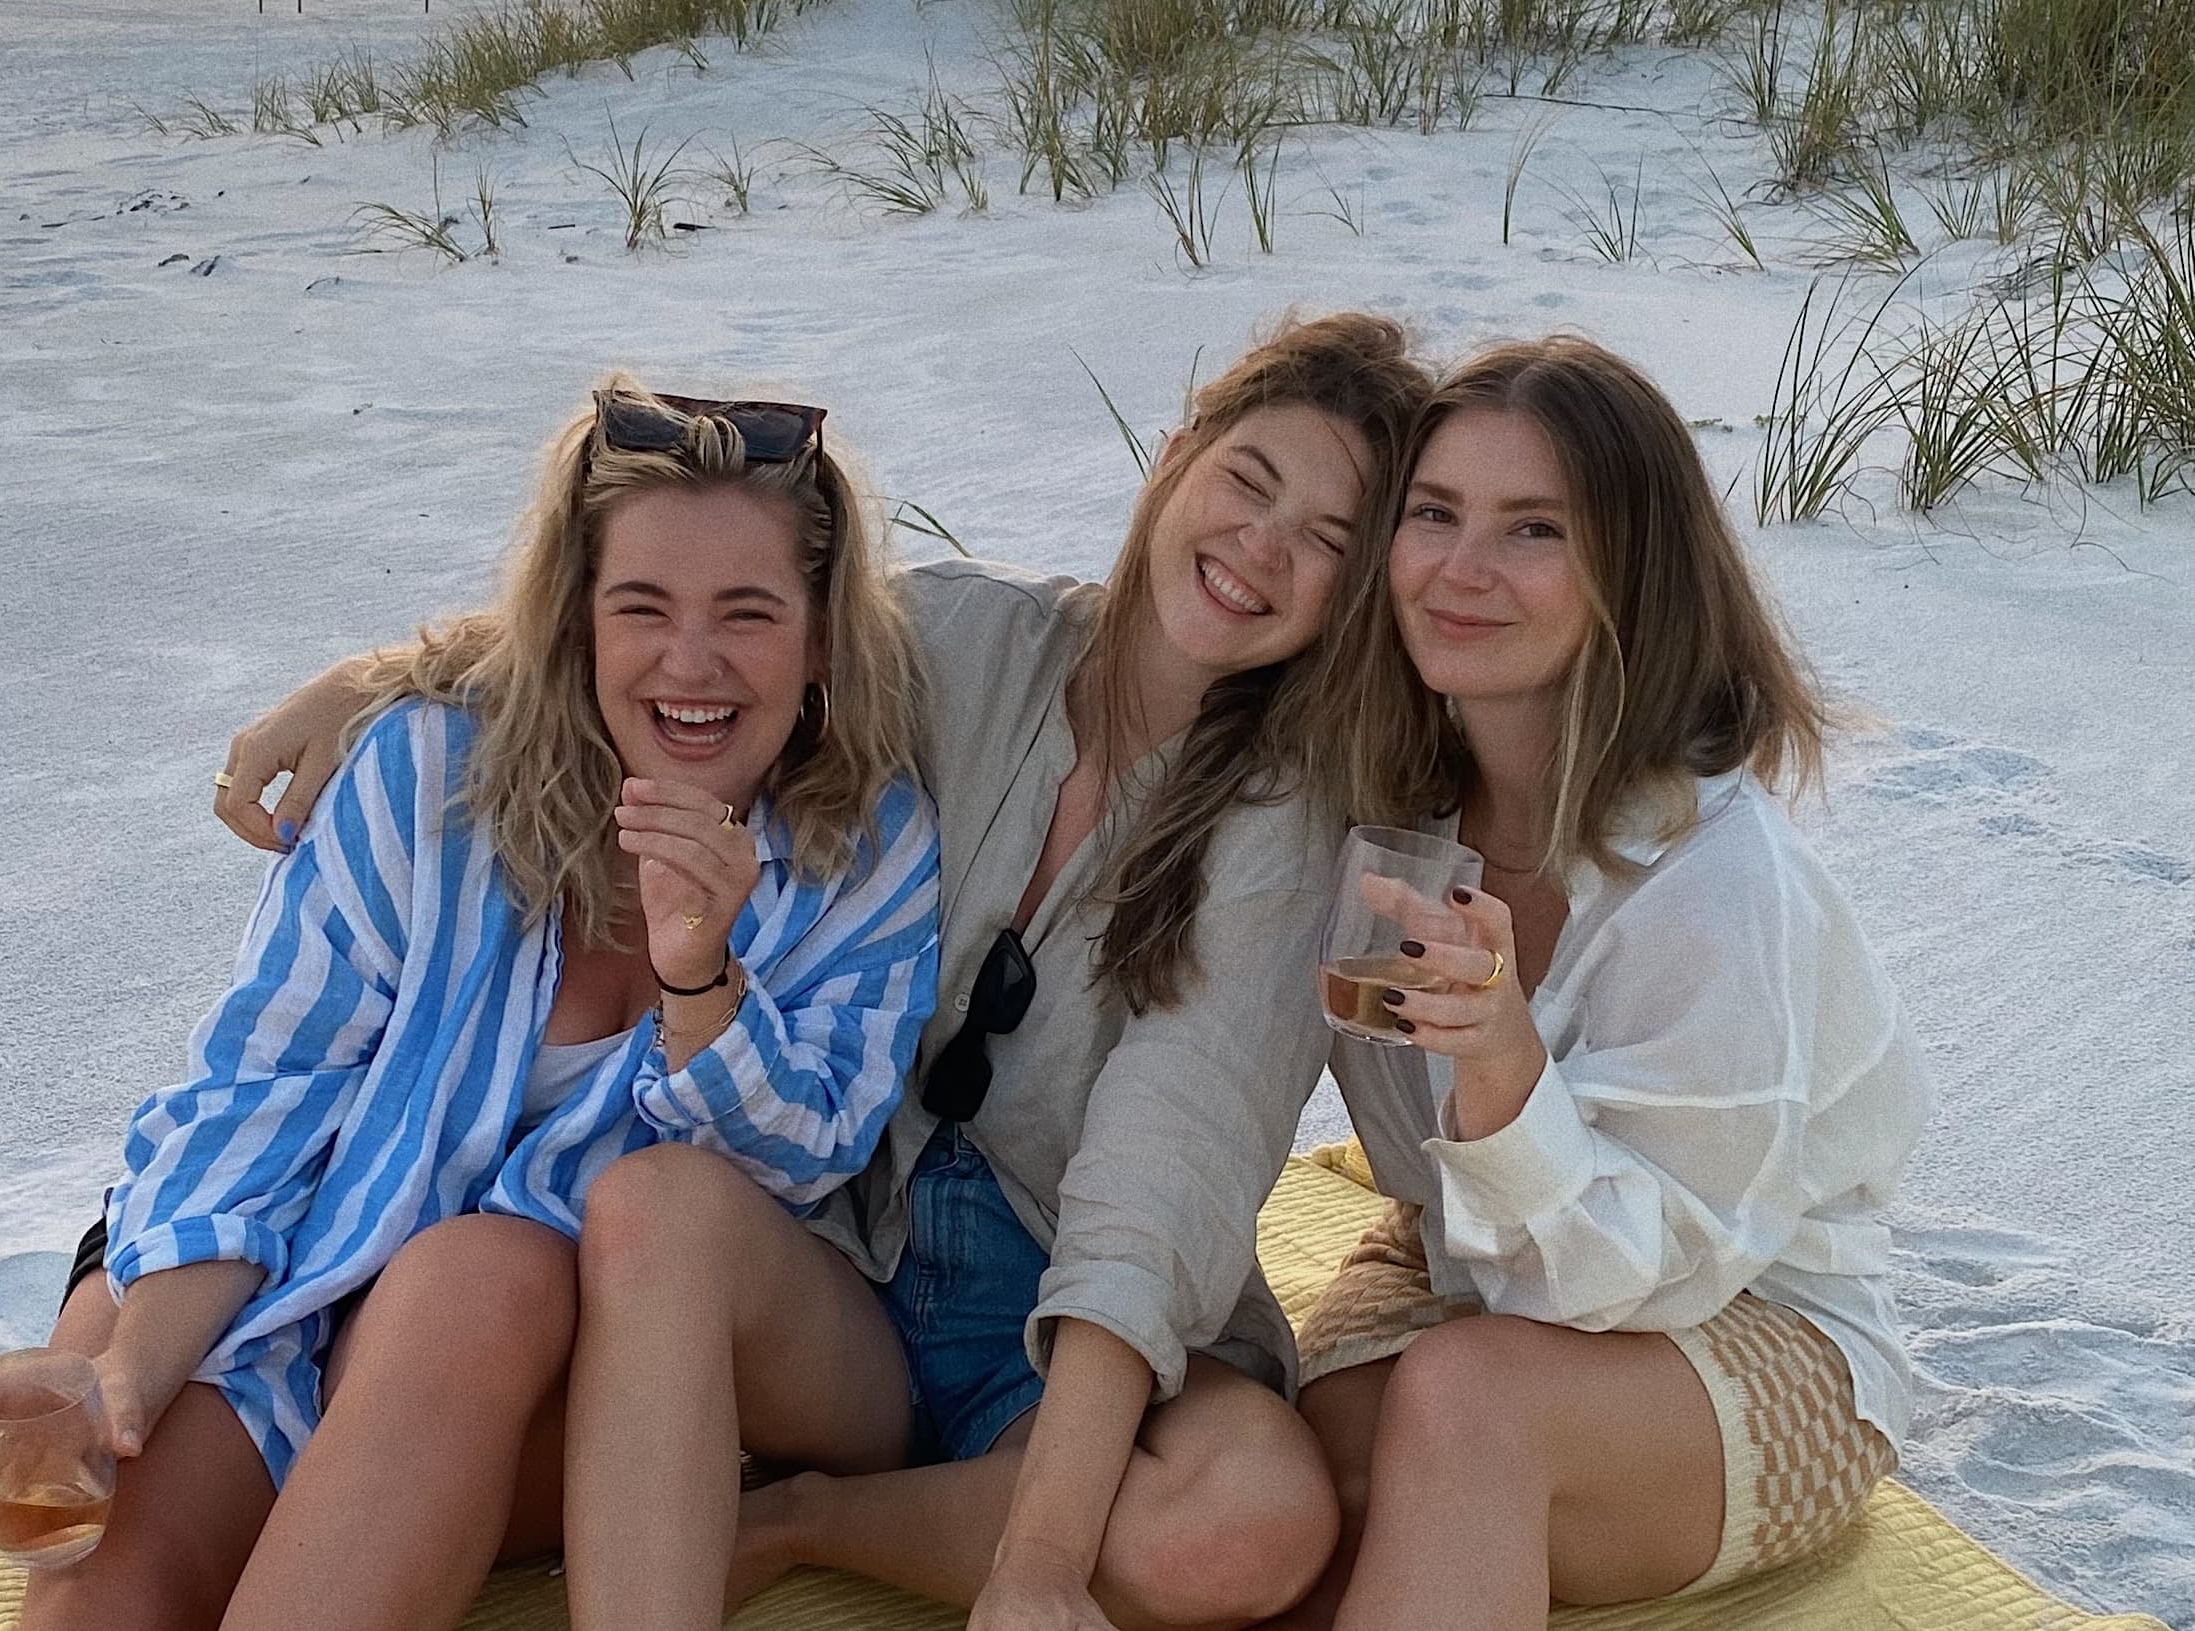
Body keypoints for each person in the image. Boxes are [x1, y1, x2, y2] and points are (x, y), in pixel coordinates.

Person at [208, 314, 1434, 1631]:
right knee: (659, 1195)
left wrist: (1045, 1559)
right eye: (1249, 483)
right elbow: (704, 636)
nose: (1263, 546)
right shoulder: (962, 639)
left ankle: (800, 1521)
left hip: (1071, 1318)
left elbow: (1164, 1170)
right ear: (1175, 459)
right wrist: (385, 676)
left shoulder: (1291, 826)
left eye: (1327, 540)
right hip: (836, 1279)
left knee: (1254, 1521)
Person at [0, 383, 941, 1631]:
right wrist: (128, 1370)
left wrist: (703, 975)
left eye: (749, 613)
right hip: (334, 1308)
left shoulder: (865, 843)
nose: (692, 663)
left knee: (481, 1269)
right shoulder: (427, 776)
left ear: (820, 639)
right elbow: (258, 1093)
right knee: (103, 1588)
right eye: (641, 608)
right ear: (574, 625)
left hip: (615, 1363)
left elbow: (801, 1160)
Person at [1278, 334, 1934, 1631]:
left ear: (1630, 573)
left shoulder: (1710, 880)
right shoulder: (1384, 801)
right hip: (1469, 1262)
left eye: (1533, 529)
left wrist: (1503, 1060)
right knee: (1305, 1479)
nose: (1461, 569)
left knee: (1467, 1409)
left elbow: (1640, 1275)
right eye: (1433, 513)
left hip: (1755, 1314)